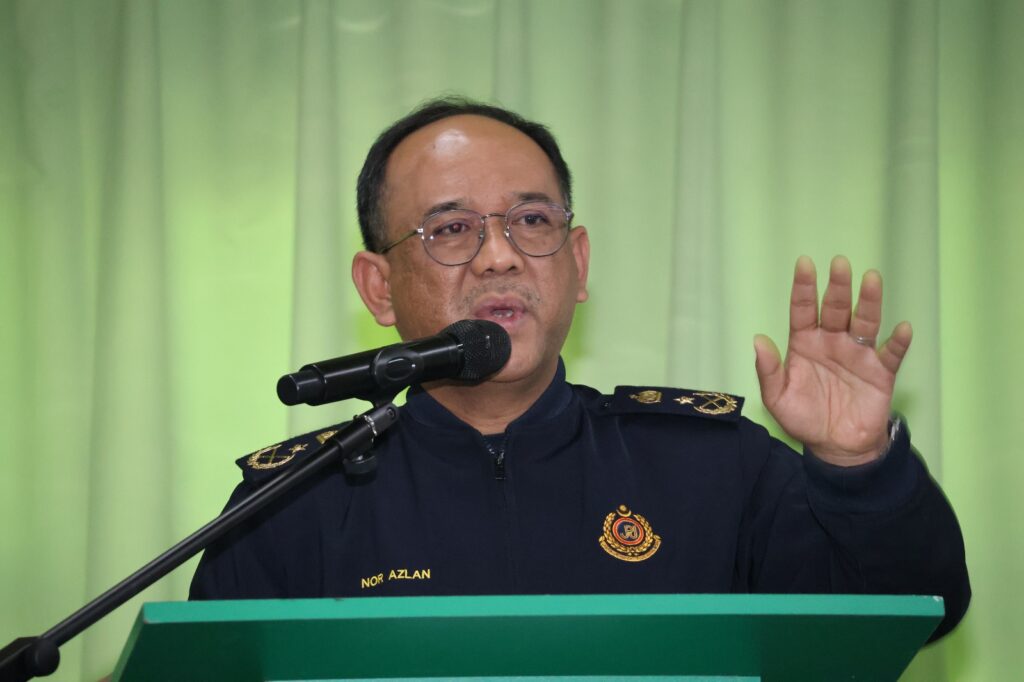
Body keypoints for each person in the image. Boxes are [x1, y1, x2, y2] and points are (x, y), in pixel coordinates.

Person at [190, 97, 969, 640]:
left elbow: (915, 615)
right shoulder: (293, 503)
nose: (500, 256)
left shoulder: (715, 468)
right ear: (378, 288)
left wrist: (860, 470)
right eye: (451, 229)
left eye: (532, 220)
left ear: (578, 261)